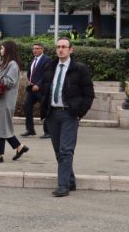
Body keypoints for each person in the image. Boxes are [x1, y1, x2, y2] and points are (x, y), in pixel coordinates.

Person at [38, 37, 95, 197]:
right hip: (52, 114)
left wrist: (79, 112)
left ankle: (63, 186)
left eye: (64, 47)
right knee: (58, 151)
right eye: (58, 47)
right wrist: (44, 102)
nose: (60, 49)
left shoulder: (79, 69)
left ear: (71, 50)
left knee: (66, 150)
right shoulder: (50, 66)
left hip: (69, 114)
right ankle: (70, 180)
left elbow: (89, 93)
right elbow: (44, 87)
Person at [0, 40, 29, 164]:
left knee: (0, 128)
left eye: (2, 48)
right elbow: (0, 81)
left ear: (8, 50)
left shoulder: (13, 65)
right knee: (2, 127)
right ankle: (19, 147)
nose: (0, 50)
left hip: (5, 102)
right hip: (0, 101)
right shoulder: (4, 64)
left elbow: (9, 82)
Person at [23, 43, 51, 138]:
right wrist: (29, 81)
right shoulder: (33, 60)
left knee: (45, 109)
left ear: (42, 49)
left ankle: (48, 132)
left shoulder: (47, 60)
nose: (34, 50)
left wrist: (38, 85)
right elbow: (30, 73)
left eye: (37, 48)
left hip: (42, 89)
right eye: (33, 48)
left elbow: (46, 74)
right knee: (27, 106)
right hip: (32, 89)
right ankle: (30, 130)